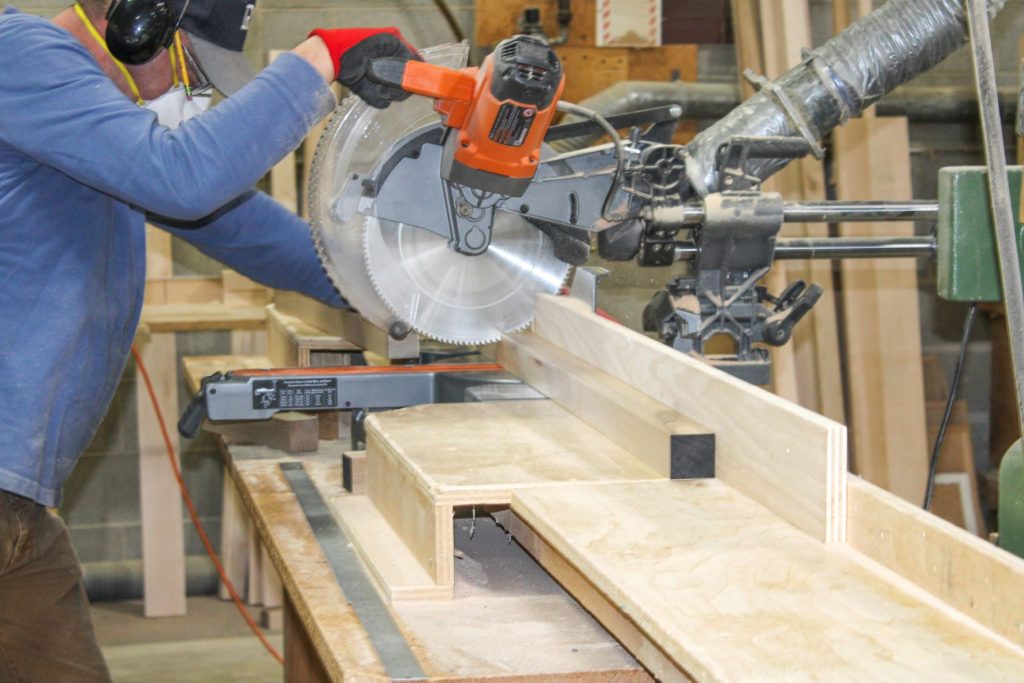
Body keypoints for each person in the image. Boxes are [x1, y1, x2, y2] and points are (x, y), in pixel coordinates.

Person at [0, 1, 417, 679]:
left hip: (18, 512)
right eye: (190, 67)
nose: (192, 93)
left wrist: (411, 286)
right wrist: (321, 58)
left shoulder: (95, 129)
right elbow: (186, 178)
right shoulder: (18, 56)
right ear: (137, 23)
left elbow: (243, 228)